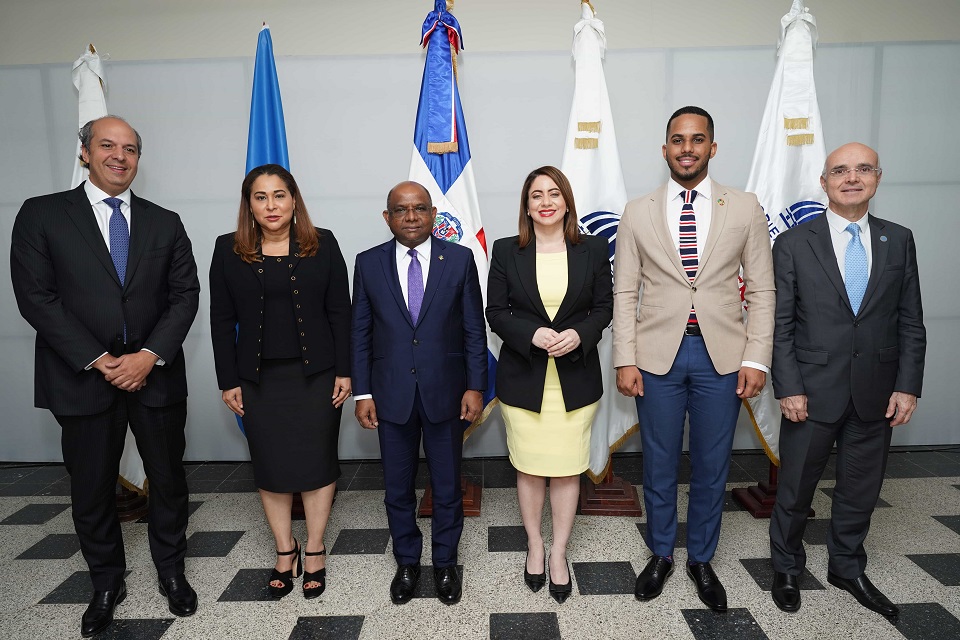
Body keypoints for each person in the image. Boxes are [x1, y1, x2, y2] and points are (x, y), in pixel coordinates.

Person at [10, 116, 200, 637]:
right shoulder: (42, 214)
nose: (120, 156)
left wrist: (149, 354)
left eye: (131, 148)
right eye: (108, 146)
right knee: (91, 487)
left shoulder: (166, 222)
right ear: (85, 153)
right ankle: (106, 581)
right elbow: (36, 298)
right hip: (82, 377)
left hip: (154, 376)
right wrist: (99, 359)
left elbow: (186, 295)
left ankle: (171, 570)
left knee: (168, 478)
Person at [612, 106, 775, 611]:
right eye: (678, 140)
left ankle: (701, 558)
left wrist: (758, 358)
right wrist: (624, 357)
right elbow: (624, 291)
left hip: (723, 356)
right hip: (656, 355)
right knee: (659, 463)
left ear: (712, 147)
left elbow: (763, 291)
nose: (687, 148)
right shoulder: (638, 210)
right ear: (665, 149)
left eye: (697, 139)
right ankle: (660, 553)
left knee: (711, 464)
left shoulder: (745, 207)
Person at [768, 143, 925, 619]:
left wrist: (908, 384)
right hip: (812, 390)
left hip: (878, 390)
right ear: (824, 182)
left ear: (878, 177)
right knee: (795, 487)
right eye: (840, 170)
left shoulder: (898, 239)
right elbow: (781, 324)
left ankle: (847, 566)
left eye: (862, 169)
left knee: (861, 487)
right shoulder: (794, 242)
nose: (851, 177)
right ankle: (787, 567)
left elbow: (910, 320)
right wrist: (788, 386)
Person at [209, 164, 351, 600]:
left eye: (279, 196)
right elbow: (221, 318)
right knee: (270, 468)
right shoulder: (228, 249)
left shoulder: (322, 244)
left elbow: (339, 312)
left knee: (316, 463)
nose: (271, 205)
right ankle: (283, 550)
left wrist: (346, 370)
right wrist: (227, 379)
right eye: (260, 197)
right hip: (257, 380)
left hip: (317, 377)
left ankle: (314, 549)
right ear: (248, 204)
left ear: (294, 201)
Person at [351, 181, 486, 606]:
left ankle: (445, 563)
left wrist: (475, 385)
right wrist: (362, 393)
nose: (411, 217)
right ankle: (407, 561)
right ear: (387, 217)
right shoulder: (368, 263)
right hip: (389, 396)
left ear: (433, 215)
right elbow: (361, 333)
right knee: (396, 487)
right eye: (401, 209)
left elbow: (472, 330)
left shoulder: (459, 260)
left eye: (420, 209)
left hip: (446, 392)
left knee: (446, 486)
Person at [486, 166, 612, 604]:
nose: (545, 201)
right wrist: (530, 334)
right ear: (526, 205)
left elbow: (604, 306)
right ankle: (534, 546)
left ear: (567, 202)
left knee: (567, 465)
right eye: (536, 195)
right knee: (530, 465)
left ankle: (558, 552)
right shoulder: (505, 251)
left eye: (553, 193)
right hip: (524, 377)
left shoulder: (593, 249)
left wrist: (581, 334)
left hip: (575, 378)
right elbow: (496, 312)